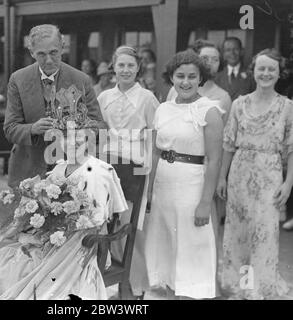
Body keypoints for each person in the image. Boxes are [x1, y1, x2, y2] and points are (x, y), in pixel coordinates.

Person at [0, 110, 128, 299]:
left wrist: (52, 232)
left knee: (24, 269)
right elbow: (47, 206)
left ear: (89, 139)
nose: (72, 143)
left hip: (79, 243)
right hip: (52, 235)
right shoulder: (60, 167)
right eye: (66, 137)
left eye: (79, 138)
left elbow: (97, 221)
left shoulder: (98, 172)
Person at [145, 50, 224, 299]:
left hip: (191, 186)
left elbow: (214, 160)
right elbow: (155, 153)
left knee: (192, 247)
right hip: (163, 187)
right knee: (166, 246)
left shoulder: (209, 111)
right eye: (180, 76)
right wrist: (148, 192)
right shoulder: (163, 109)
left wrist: (204, 202)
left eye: (192, 76)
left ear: (201, 78)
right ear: (172, 78)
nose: (186, 82)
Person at [216, 49, 292, 300]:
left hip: (269, 175)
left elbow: (292, 149)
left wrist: (289, 183)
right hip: (239, 172)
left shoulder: (287, 107)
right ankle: (239, 285)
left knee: (264, 232)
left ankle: (257, 287)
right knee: (238, 232)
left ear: (279, 73)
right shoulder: (239, 103)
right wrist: (221, 178)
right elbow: (228, 144)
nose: (266, 73)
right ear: (253, 71)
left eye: (271, 69)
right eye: (262, 68)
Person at [3, 24, 106, 188]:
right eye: (41, 54)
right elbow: (10, 129)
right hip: (27, 172)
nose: (49, 60)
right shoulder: (18, 79)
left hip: (71, 172)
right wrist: (32, 129)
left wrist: (81, 133)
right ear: (31, 53)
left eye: (53, 52)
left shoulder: (81, 80)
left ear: (62, 48)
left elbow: (100, 125)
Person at [97, 45, 159, 297]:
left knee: (130, 226)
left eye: (130, 66)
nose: (125, 70)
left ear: (138, 68)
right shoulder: (103, 97)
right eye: (121, 65)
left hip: (135, 167)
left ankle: (134, 287)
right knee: (104, 225)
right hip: (107, 166)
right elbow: (98, 135)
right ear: (114, 66)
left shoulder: (147, 98)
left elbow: (154, 141)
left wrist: (151, 183)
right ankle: (106, 282)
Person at [167, 39, 232, 124]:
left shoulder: (223, 98)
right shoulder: (175, 90)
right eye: (204, 58)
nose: (209, 63)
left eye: (215, 59)